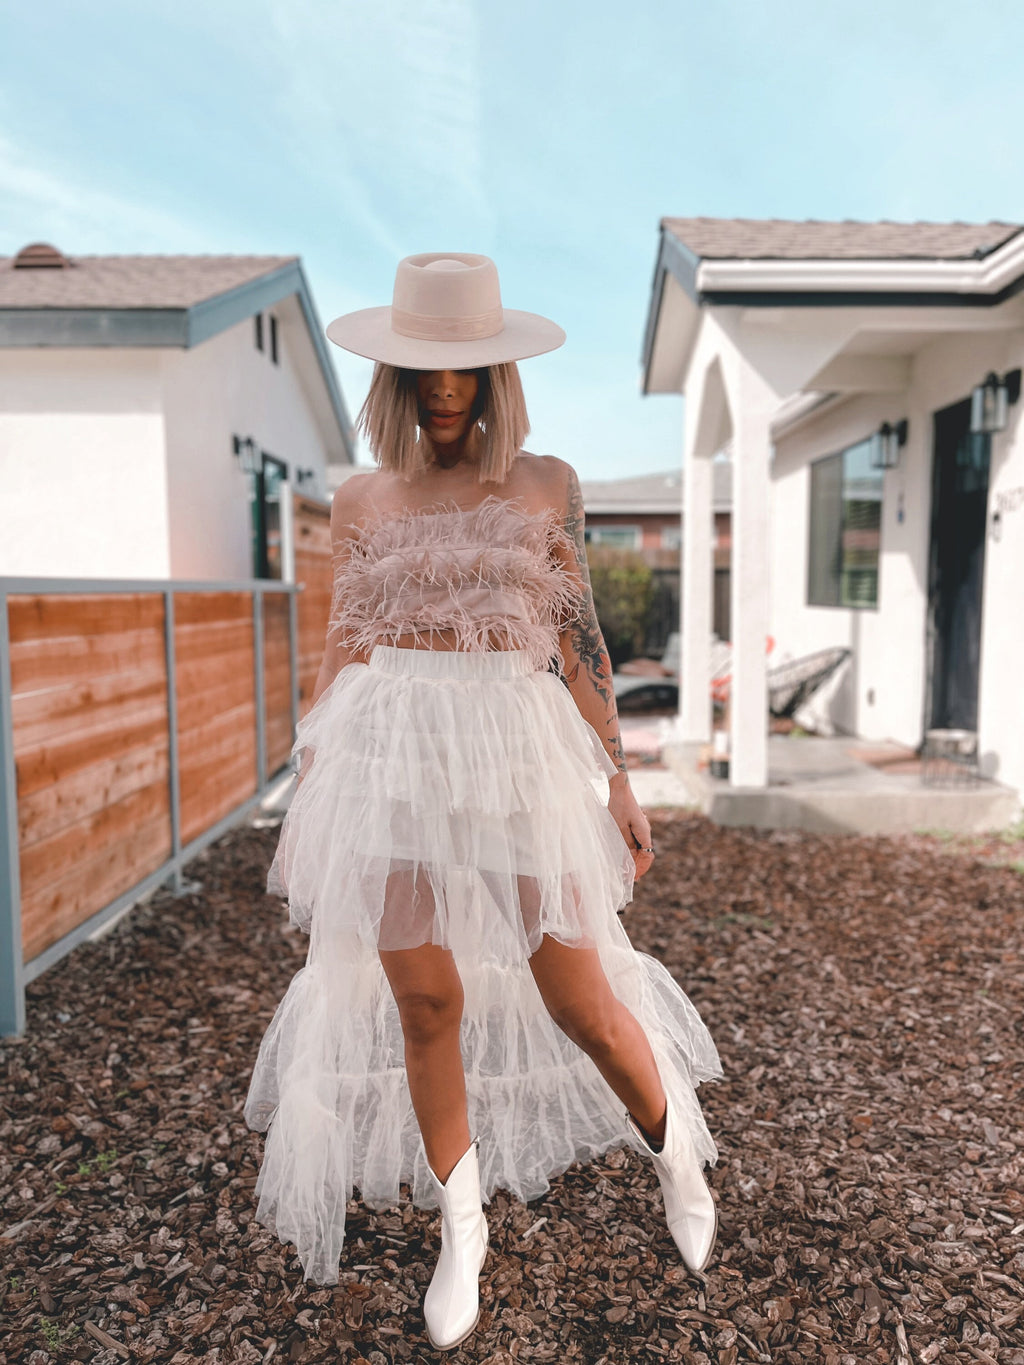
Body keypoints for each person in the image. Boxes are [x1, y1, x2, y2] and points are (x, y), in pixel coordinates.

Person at [244, 253, 722, 1351]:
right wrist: (317, 781)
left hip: (514, 742)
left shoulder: (546, 483)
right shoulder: (359, 498)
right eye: (424, 368)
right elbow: (345, 640)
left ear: (498, 372)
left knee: (577, 996)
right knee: (423, 1001)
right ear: (395, 377)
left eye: (466, 367)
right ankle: (462, 1229)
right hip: (391, 745)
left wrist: (617, 776)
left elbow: (578, 634)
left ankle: (675, 1159)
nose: (445, 387)